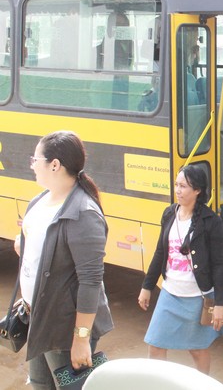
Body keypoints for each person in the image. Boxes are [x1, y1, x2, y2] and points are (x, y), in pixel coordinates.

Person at [16, 130, 113, 389]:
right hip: (39, 316)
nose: (32, 165)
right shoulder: (40, 201)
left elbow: (90, 281)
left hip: (64, 326)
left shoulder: (83, 213)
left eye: (35, 159)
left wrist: (81, 339)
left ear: (55, 165)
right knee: (40, 383)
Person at [138, 165, 223, 374]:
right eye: (176, 185)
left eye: (183, 186)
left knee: (197, 349)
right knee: (155, 345)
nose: (178, 190)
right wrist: (147, 286)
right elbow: (160, 253)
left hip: (198, 298)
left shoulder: (211, 221)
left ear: (197, 190)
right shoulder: (169, 213)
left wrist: (220, 303)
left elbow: (218, 266)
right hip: (170, 294)